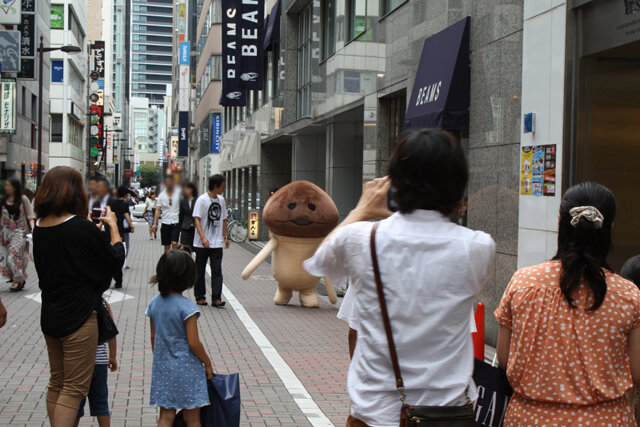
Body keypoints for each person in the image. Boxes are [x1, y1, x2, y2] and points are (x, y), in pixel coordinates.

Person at [304, 129, 496, 427]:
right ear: (458, 184)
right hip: (447, 415)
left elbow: (318, 264)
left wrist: (362, 209)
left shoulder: (361, 240)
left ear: (394, 181)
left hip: (374, 413)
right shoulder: (478, 247)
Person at [495, 182, 640, 426]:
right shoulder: (628, 295)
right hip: (606, 420)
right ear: (609, 228)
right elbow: (637, 371)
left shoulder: (522, 283)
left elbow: (503, 358)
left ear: (560, 222)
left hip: (529, 419)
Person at [33, 166, 125, 427]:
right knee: (73, 389)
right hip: (80, 317)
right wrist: (114, 228)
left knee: (57, 381)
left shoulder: (40, 227)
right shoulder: (81, 228)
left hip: (50, 315)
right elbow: (114, 260)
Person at [146, 250, 213, 427]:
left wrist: (161, 359)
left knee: (166, 416)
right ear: (188, 279)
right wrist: (207, 362)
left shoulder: (154, 304)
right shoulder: (188, 307)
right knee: (192, 418)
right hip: (188, 369)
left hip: (164, 368)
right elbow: (193, 342)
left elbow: (154, 337)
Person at [73, 300, 118, 427]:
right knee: (101, 402)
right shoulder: (102, 303)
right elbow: (111, 331)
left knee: (75, 402)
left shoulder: (73, 302)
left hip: (79, 363)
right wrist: (112, 356)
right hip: (100, 362)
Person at [193, 174, 230, 307]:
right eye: (223, 186)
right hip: (202, 243)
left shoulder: (221, 200)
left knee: (217, 271)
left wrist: (226, 236)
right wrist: (203, 237)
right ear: (216, 186)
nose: (224, 188)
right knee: (200, 270)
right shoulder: (202, 200)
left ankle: (216, 298)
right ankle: (200, 297)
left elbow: (224, 219)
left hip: (216, 242)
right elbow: (196, 219)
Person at [0, 177, 35, 291]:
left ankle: (18, 279)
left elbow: (30, 215)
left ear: (15, 187)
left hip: (19, 232)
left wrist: (33, 228)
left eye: (9, 185)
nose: (7, 188)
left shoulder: (23, 199)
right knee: (5, 258)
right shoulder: (2, 200)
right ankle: (17, 279)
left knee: (12, 256)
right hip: (4, 233)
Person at [109, 186, 135, 287]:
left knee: (114, 246)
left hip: (112, 228)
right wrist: (131, 225)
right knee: (125, 246)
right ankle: (123, 263)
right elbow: (126, 215)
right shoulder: (124, 203)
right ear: (125, 194)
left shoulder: (112, 203)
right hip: (122, 230)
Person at [152, 176, 181, 253]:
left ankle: (175, 259)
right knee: (167, 245)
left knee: (174, 243)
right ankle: (167, 262)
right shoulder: (162, 195)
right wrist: (155, 224)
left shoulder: (178, 194)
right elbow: (158, 210)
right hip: (165, 222)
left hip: (175, 221)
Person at [179, 182, 198, 251]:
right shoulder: (182, 201)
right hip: (185, 227)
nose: (186, 190)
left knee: (197, 249)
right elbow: (181, 215)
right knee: (185, 249)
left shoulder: (198, 200)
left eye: (187, 189)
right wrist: (179, 227)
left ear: (192, 189)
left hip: (196, 228)